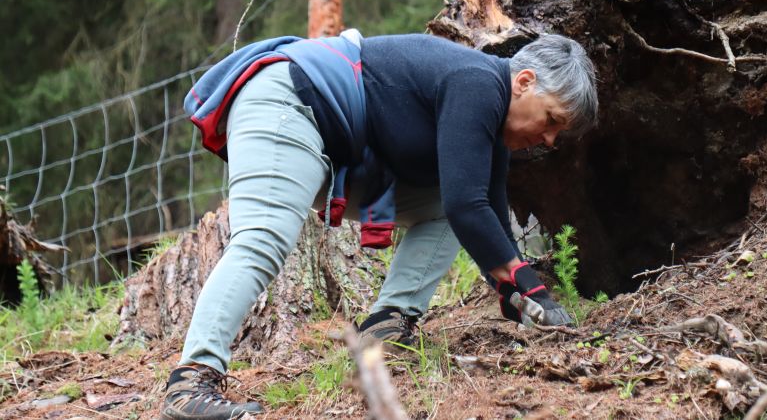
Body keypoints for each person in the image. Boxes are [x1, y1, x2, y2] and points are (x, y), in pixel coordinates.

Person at [160, 31, 597, 420]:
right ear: (524, 82)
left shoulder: (492, 115)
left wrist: (515, 291)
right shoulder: (478, 81)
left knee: (445, 206)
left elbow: (486, 216)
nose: (549, 140)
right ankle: (191, 380)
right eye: (552, 120)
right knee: (263, 242)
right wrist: (530, 287)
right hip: (287, 103)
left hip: (331, 146)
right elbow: (468, 206)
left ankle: (386, 327)